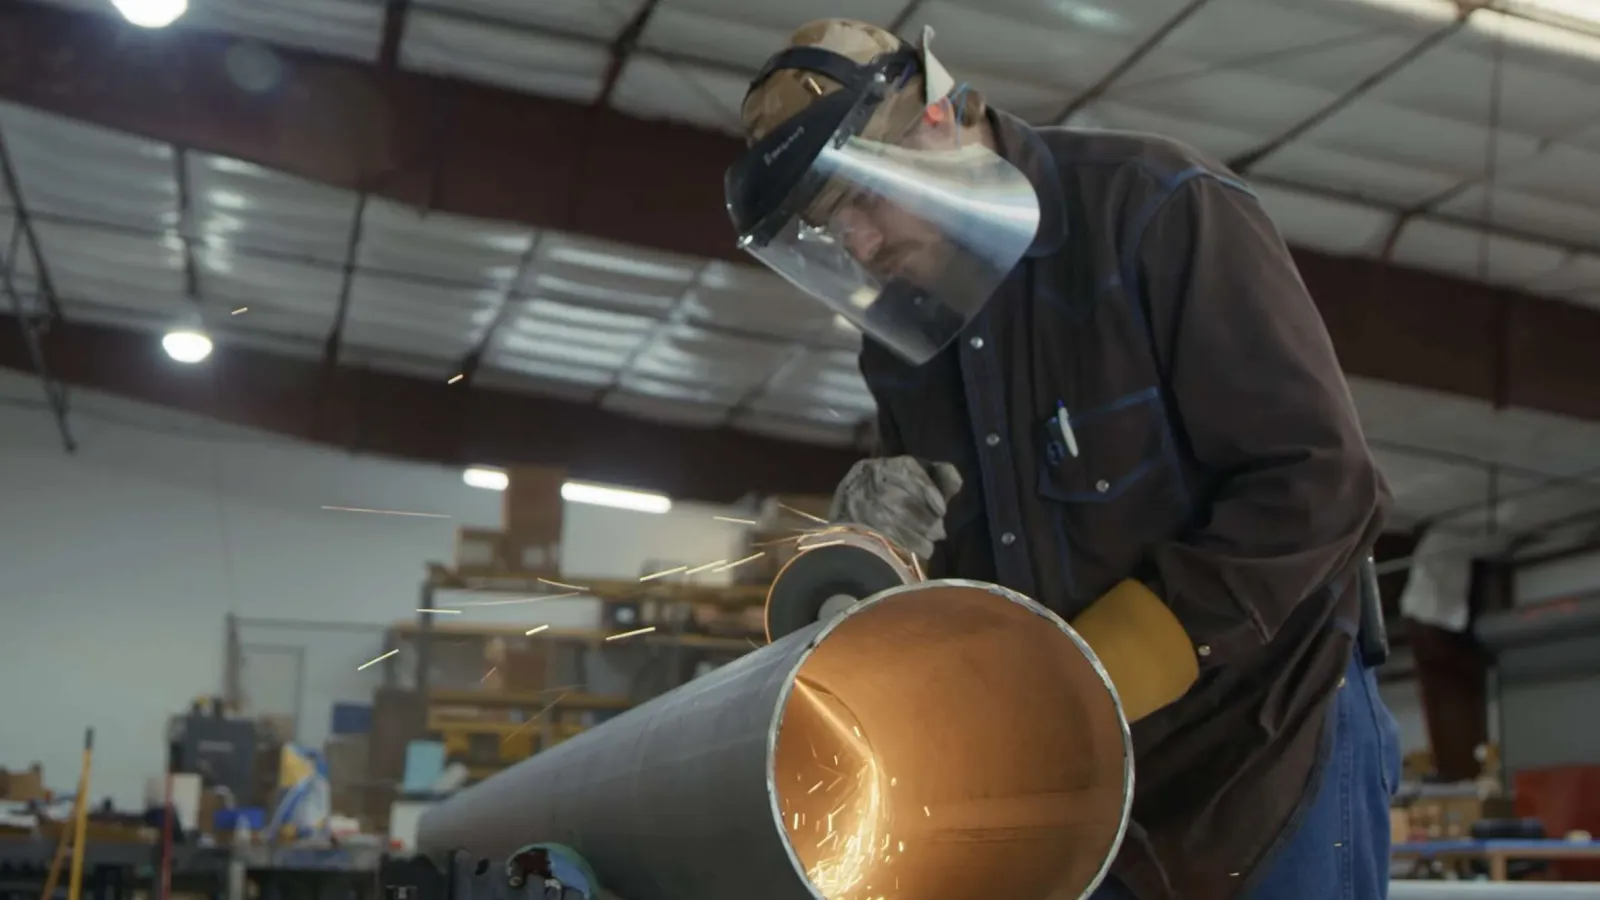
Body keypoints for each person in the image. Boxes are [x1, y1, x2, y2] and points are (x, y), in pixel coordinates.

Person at [723, 18, 1402, 900]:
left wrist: (1091, 670)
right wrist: (885, 548)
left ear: (937, 118)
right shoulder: (902, 340)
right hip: (1082, 779)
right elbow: (971, 577)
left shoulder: (1154, 209)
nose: (857, 244)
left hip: (1267, 747)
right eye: (827, 225)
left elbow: (1320, 485)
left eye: (859, 199)